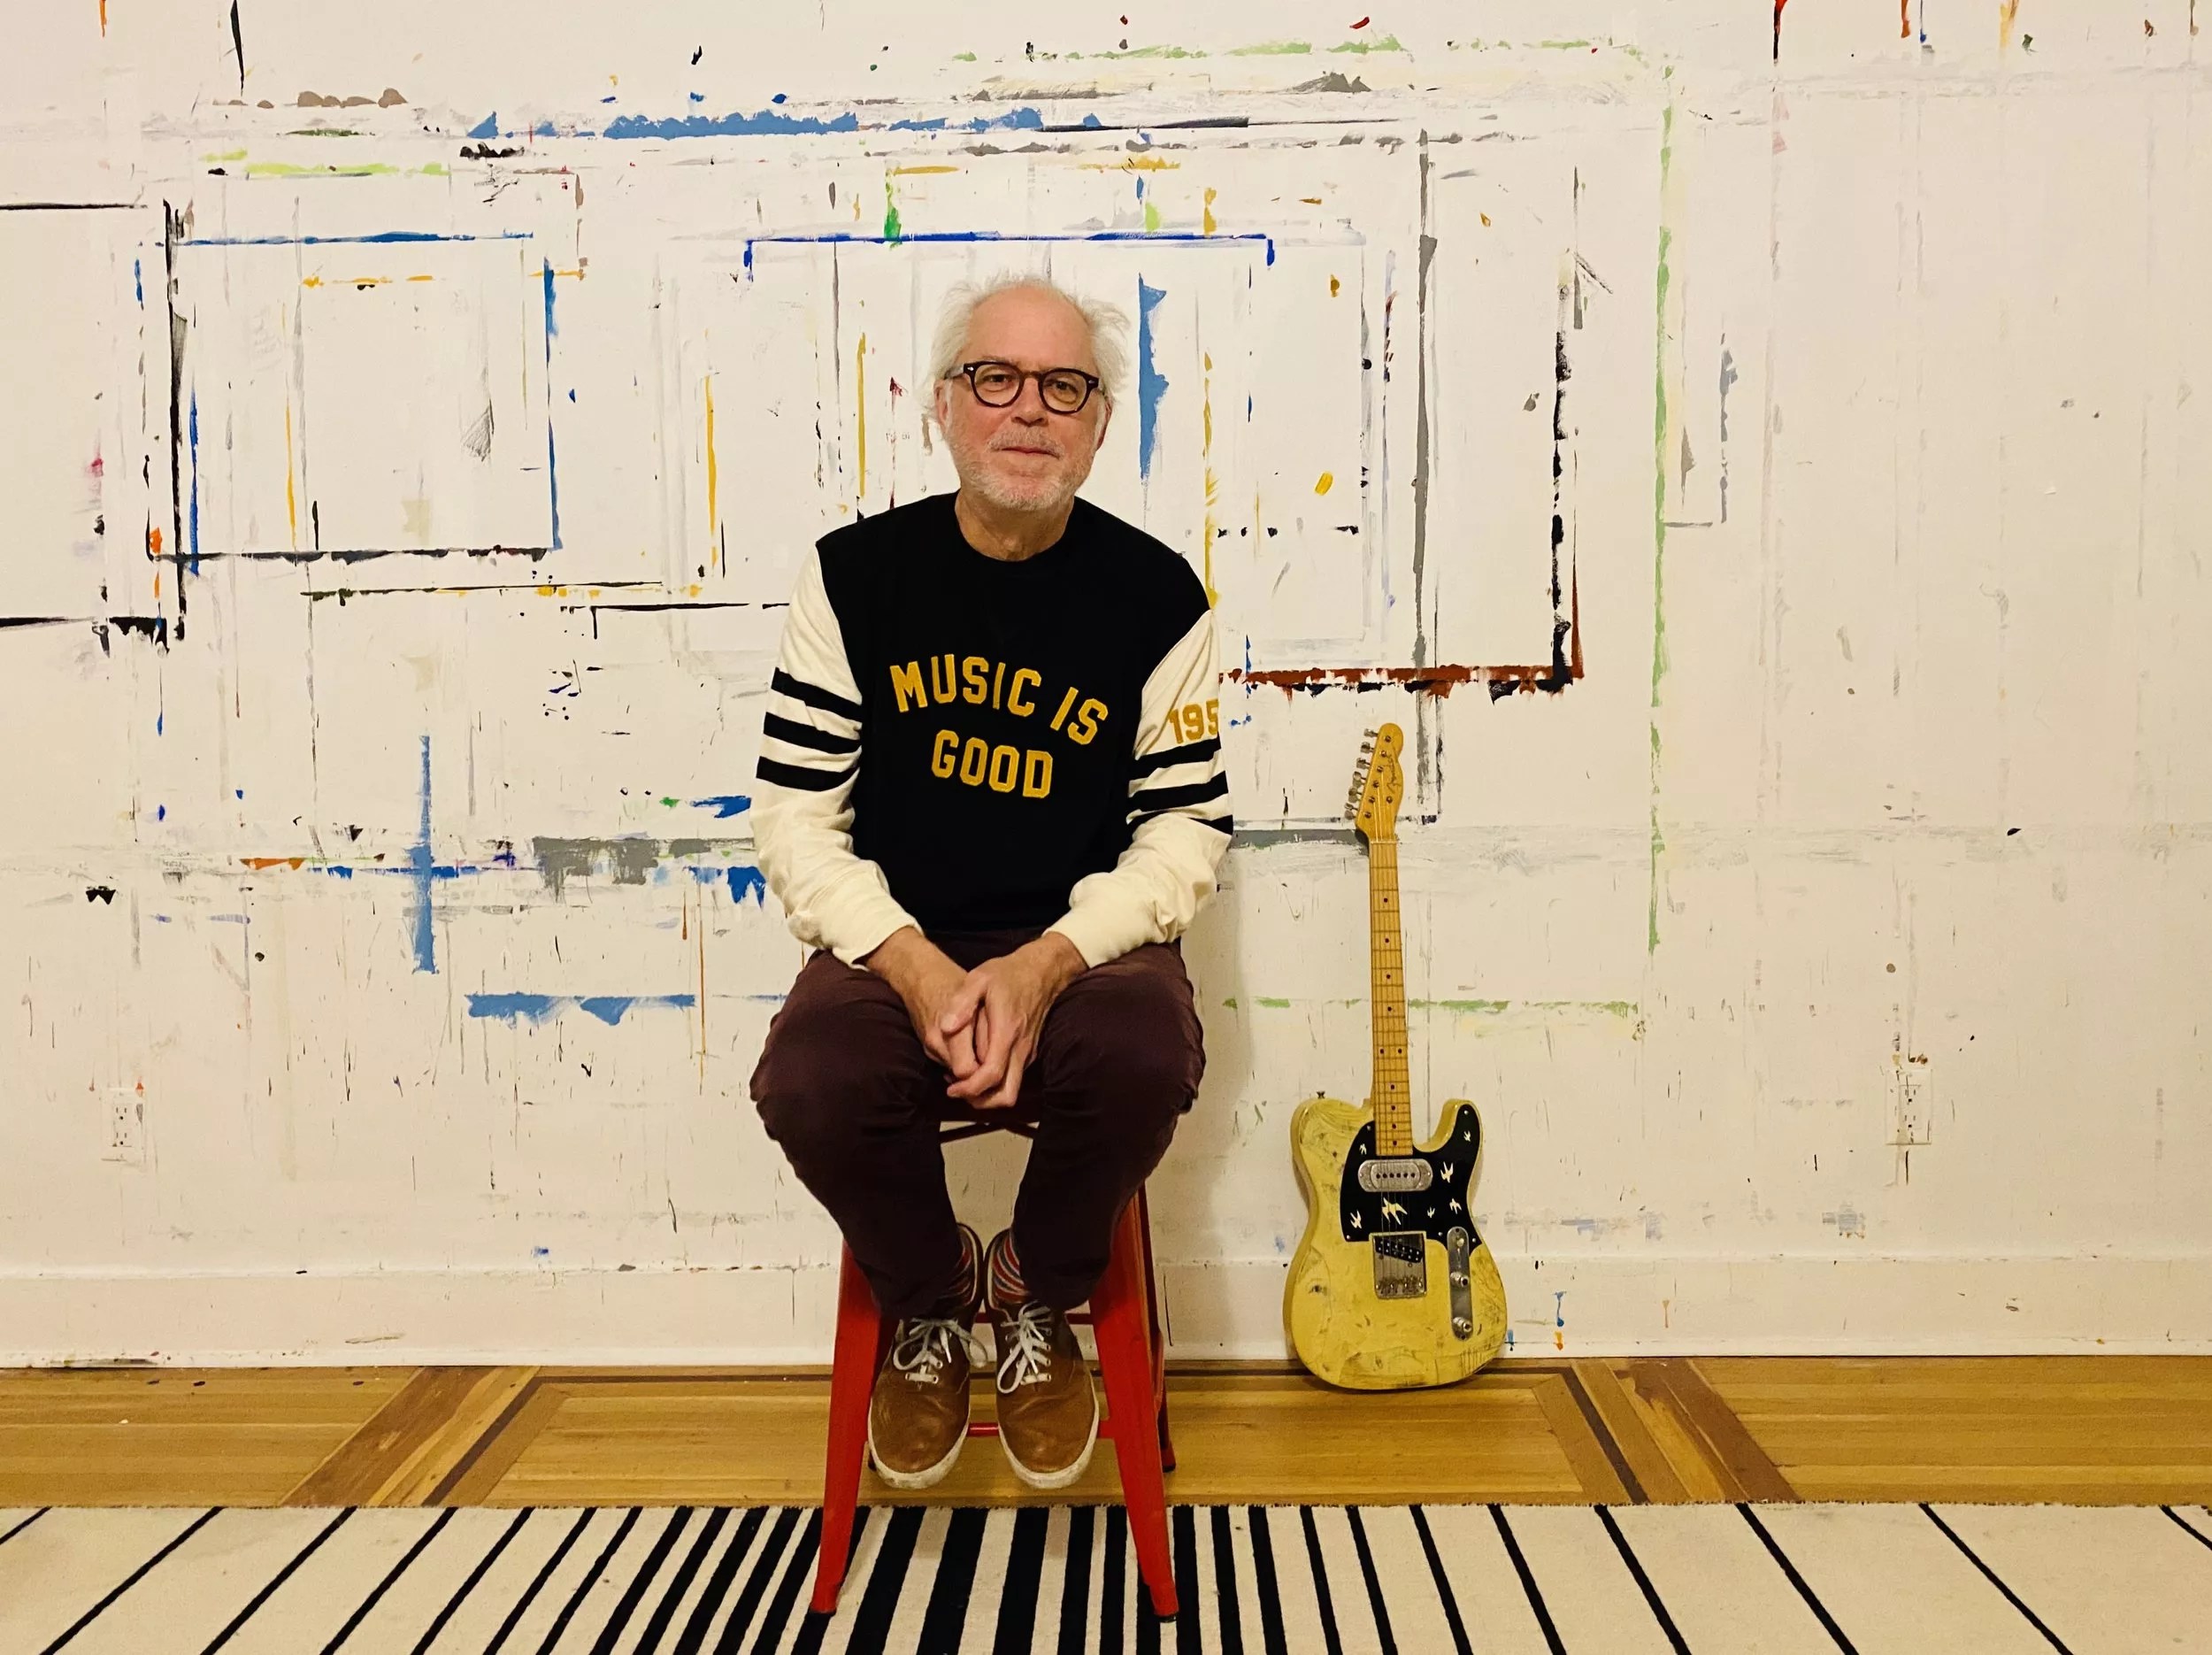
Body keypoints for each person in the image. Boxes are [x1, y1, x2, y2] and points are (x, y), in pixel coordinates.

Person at [747, 272, 1232, 1491]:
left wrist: (1046, 962)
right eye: (996, 378)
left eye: (1064, 386)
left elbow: (1183, 833)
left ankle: (1030, 1290)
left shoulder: (1158, 595)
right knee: (810, 1079)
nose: (1028, 409)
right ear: (943, 404)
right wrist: (913, 965)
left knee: (1142, 1057)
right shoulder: (853, 579)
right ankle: (930, 1297)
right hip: (899, 934)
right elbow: (797, 821)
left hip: (1081, 943)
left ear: (1100, 422)